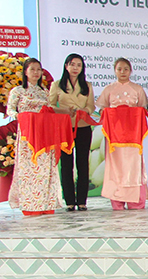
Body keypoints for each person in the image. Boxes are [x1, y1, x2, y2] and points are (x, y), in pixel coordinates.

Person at [7, 58, 61, 215]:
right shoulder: (17, 91)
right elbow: (10, 110)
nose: (36, 73)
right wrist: (21, 116)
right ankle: (30, 205)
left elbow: (50, 110)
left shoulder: (44, 92)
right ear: (25, 71)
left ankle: (46, 203)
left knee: (45, 170)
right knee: (28, 170)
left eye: (39, 69)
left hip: (44, 135)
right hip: (26, 136)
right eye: (33, 69)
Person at [96, 58, 148, 210]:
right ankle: (117, 200)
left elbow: (142, 109)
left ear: (130, 70)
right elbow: (101, 109)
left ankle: (135, 201)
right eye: (119, 69)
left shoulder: (137, 89)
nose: (123, 72)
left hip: (133, 136)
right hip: (114, 137)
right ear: (115, 70)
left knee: (133, 165)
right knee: (116, 166)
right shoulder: (109, 89)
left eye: (126, 69)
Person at [49, 54, 95, 211]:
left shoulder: (87, 85)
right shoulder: (56, 85)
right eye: (73, 64)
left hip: (83, 126)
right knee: (66, 164)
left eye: (79, 65)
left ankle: (82, 201)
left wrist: (84, 111)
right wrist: (64, 111)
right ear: (66, 66)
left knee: (83, 163)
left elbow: (91, 106)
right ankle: (69, 201)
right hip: (64, 127)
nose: (75, 68)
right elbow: (49, 106)